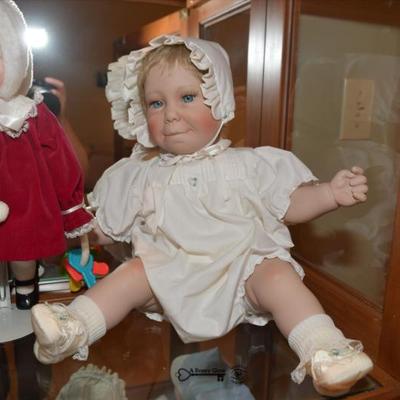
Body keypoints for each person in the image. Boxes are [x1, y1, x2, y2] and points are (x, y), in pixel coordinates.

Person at [31, 35, 373, 397]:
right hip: (167, 274)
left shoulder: (249, 165)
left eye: (187, 97)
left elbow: (289, 203)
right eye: (157, 103)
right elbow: (108, 226)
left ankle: (324, 349)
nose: (170, 114)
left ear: (220, 99)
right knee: (131, 274)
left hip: (241, 273)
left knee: (278, 275)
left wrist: (328, 194)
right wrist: (80, 226)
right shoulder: (138, 174)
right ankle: (73, 328)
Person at [0, 0, 93, 309]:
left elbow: (61, 159)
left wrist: (71, 207)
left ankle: (26, 287)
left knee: (23, 252)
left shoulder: (31, 111)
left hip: (24, 205)